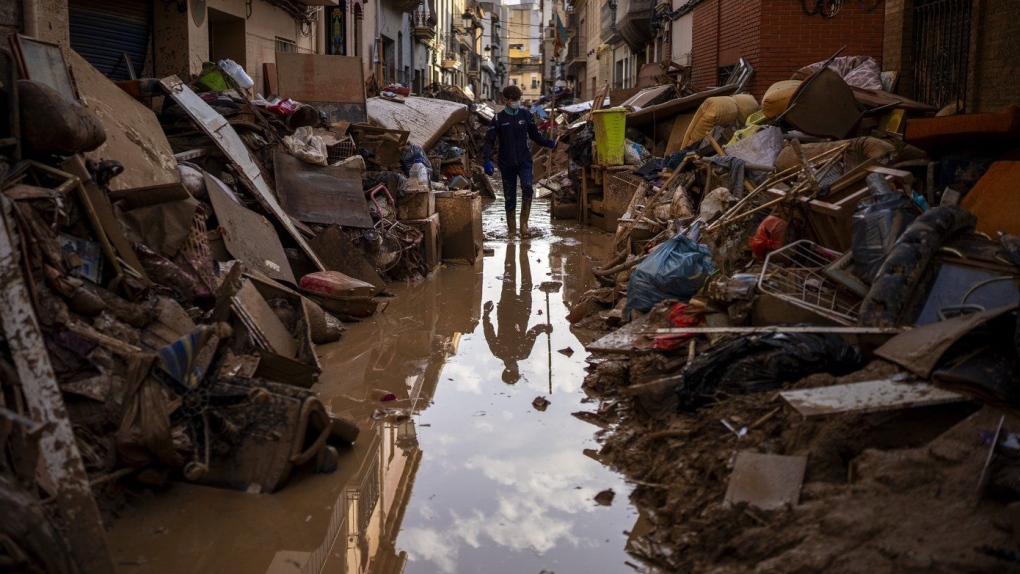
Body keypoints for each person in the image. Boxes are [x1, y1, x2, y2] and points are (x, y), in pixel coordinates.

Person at [482, 85, 557, 239]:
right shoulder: (498, 119)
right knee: (509, 196)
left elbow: (535, 135)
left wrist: (548, 142)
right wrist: (486, 160)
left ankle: (524, 225)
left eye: (518, 99)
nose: (516, 102)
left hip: (524, 160)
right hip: (506, 163)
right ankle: (511, 229)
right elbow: (489, 141)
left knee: (528, 187)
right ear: (505, 100)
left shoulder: (526, 115)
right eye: (513, 100)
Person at [482, 244, 551, 383]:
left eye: (515, 371)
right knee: (524, 282)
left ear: (508, 370)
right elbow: (532, 333)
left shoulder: (500, 352)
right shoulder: (521, 353)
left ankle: (512, 246)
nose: (516, 368)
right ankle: (523, 251)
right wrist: (543, 327)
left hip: (508, 310)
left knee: (510, 276)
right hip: (520, 311)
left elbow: (488, 331)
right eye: (517, 371)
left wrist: (486, 314)